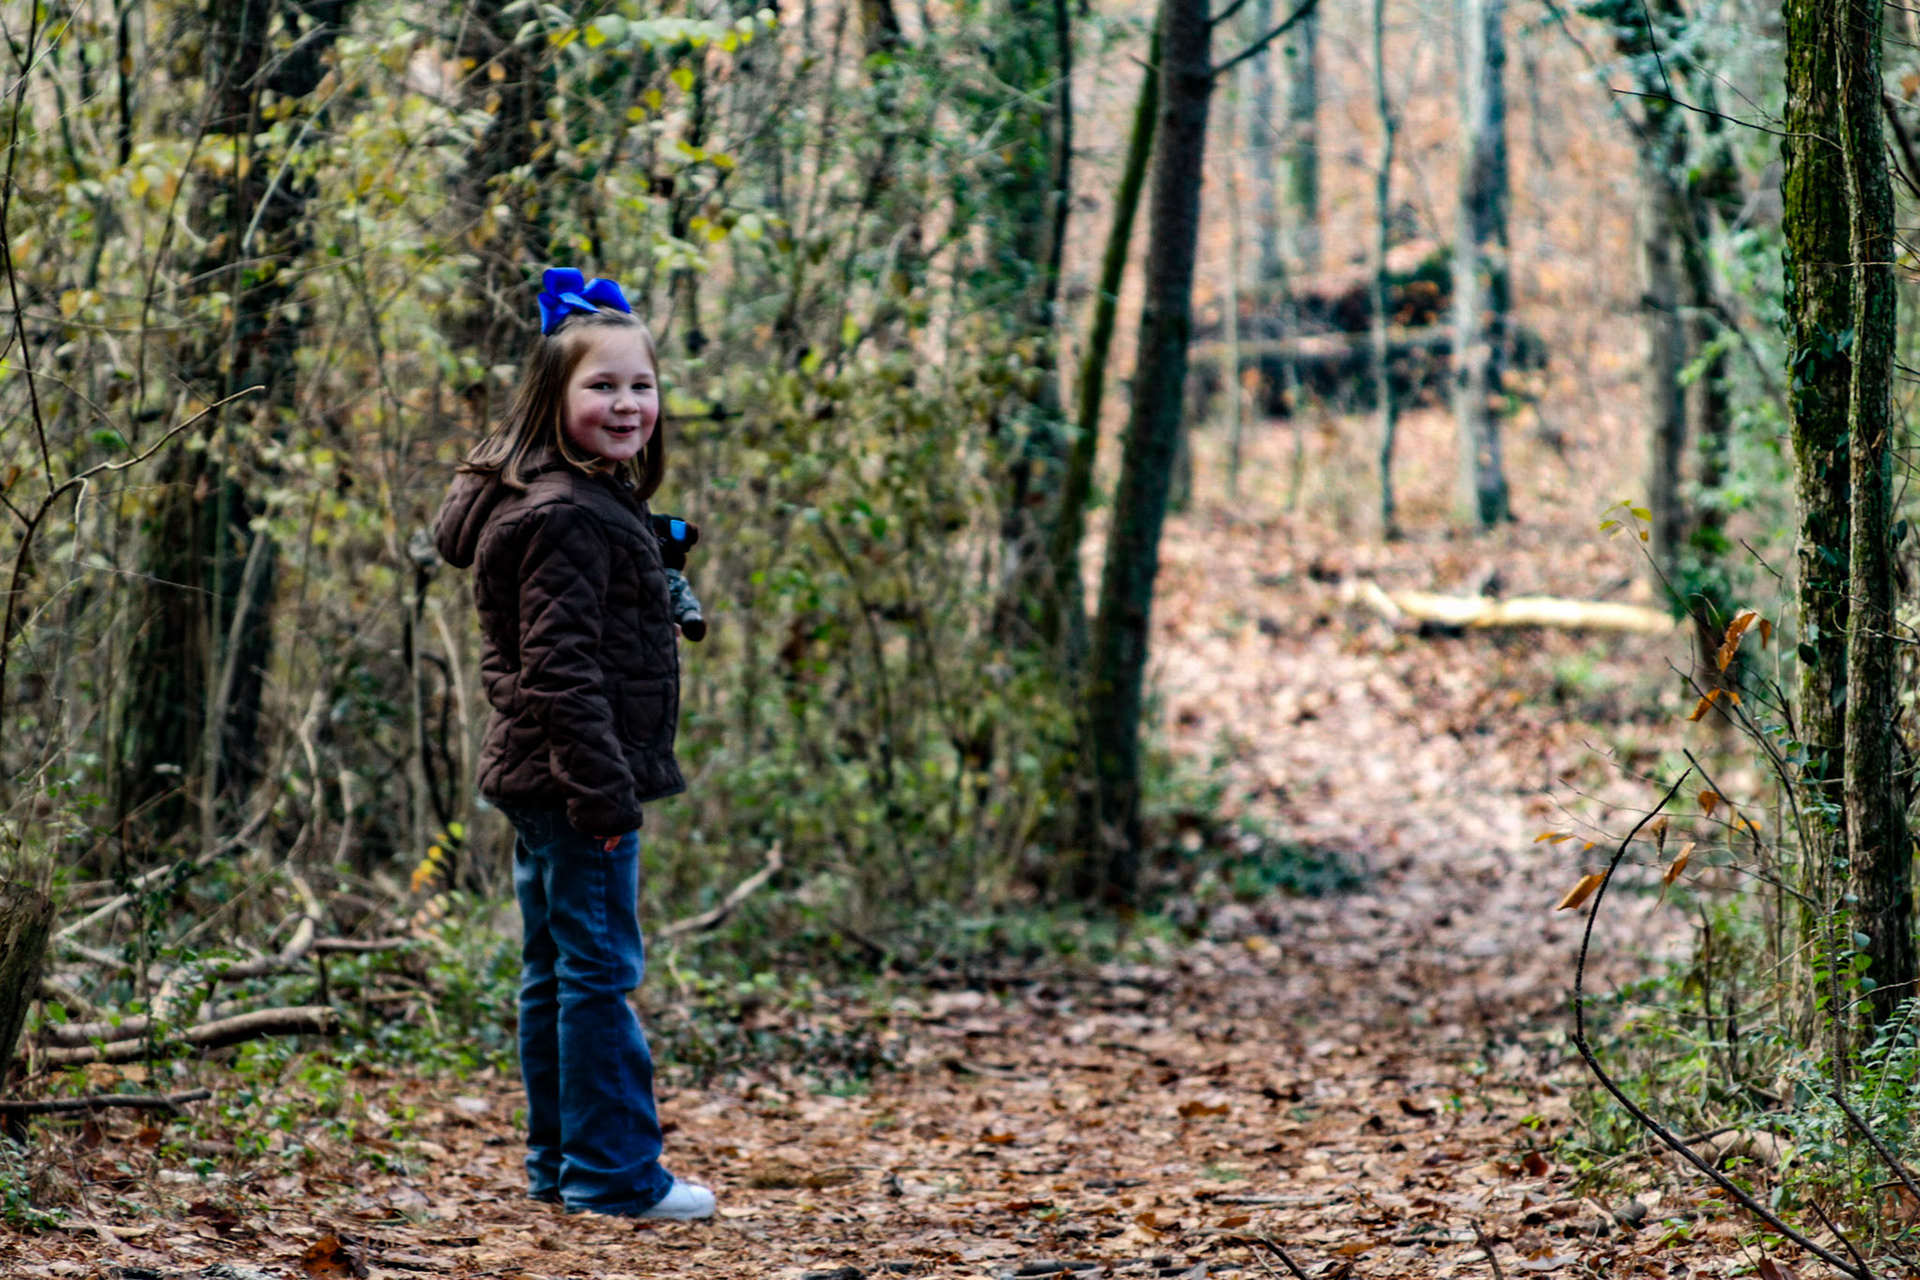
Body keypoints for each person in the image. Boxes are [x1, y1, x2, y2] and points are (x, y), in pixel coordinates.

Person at [432, 268, 715, 1221]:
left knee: (558, 972)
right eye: (602, 387)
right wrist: (604, 797)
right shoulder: (563, 514)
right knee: (598, 978)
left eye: (641, 385)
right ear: (553, 400)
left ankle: (563, 1169)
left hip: (540, 774)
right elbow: (561, 674)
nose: (628, 404)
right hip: (575, 780)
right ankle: (615, 1176)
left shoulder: (577, 495)